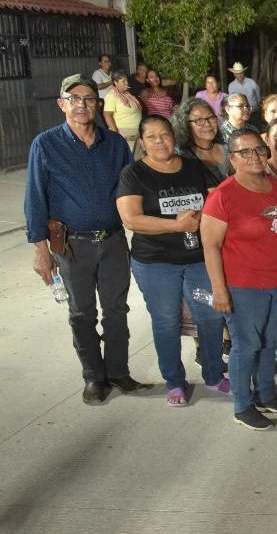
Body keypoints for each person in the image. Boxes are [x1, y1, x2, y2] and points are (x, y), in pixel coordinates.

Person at [25, 74, 149, 404]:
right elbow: (35, 198)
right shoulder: (46, 144)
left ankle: (119, 371)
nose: (82, 105)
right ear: (62, 104)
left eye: (89, 99)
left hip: (112, 242)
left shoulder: (115, 144)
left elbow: (131, 189)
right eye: (75, 99)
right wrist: (41, 250)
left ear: (98, 104)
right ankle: (94, 377)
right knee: (82, 314)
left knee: (116, 310)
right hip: (71, 246)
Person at [116, 115, 229, 406]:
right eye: (151, 137)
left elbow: (216, 199)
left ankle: (215, 375)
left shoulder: (193, 167)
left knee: (210, 316)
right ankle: (175, 381)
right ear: (142, 143)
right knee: (166, 321)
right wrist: (176, 225)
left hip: (198, 259)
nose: (159, 141)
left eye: (164, 135)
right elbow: (131, 219)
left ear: (174, 137)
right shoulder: (134, 173)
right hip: (155, 262)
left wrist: (201, 219)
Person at [201, 130, 277, 430]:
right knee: (246, 345)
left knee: (270, 341)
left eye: (258, 150)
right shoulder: (223, 196)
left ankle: (266, 394)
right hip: (243, 286)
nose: (254, 157)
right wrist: (219, 290)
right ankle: (243, 404)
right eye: (245, 152)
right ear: (232, 159)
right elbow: (210, 245)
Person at [173, 98, 230, 184]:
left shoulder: (229, 148)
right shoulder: (182, 155)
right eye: (199, 120)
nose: (207, 124)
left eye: (211, 118)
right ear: (186, 125)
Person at [103, 71, 142, 154]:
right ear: (115, 82)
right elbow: (107, 115)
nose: (127, 83)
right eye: (123, 81)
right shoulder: (111, 95)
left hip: (136, 134)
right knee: (127, 160)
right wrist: (116, 134)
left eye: (127, 80)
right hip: (124, 134)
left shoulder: (128, 94)